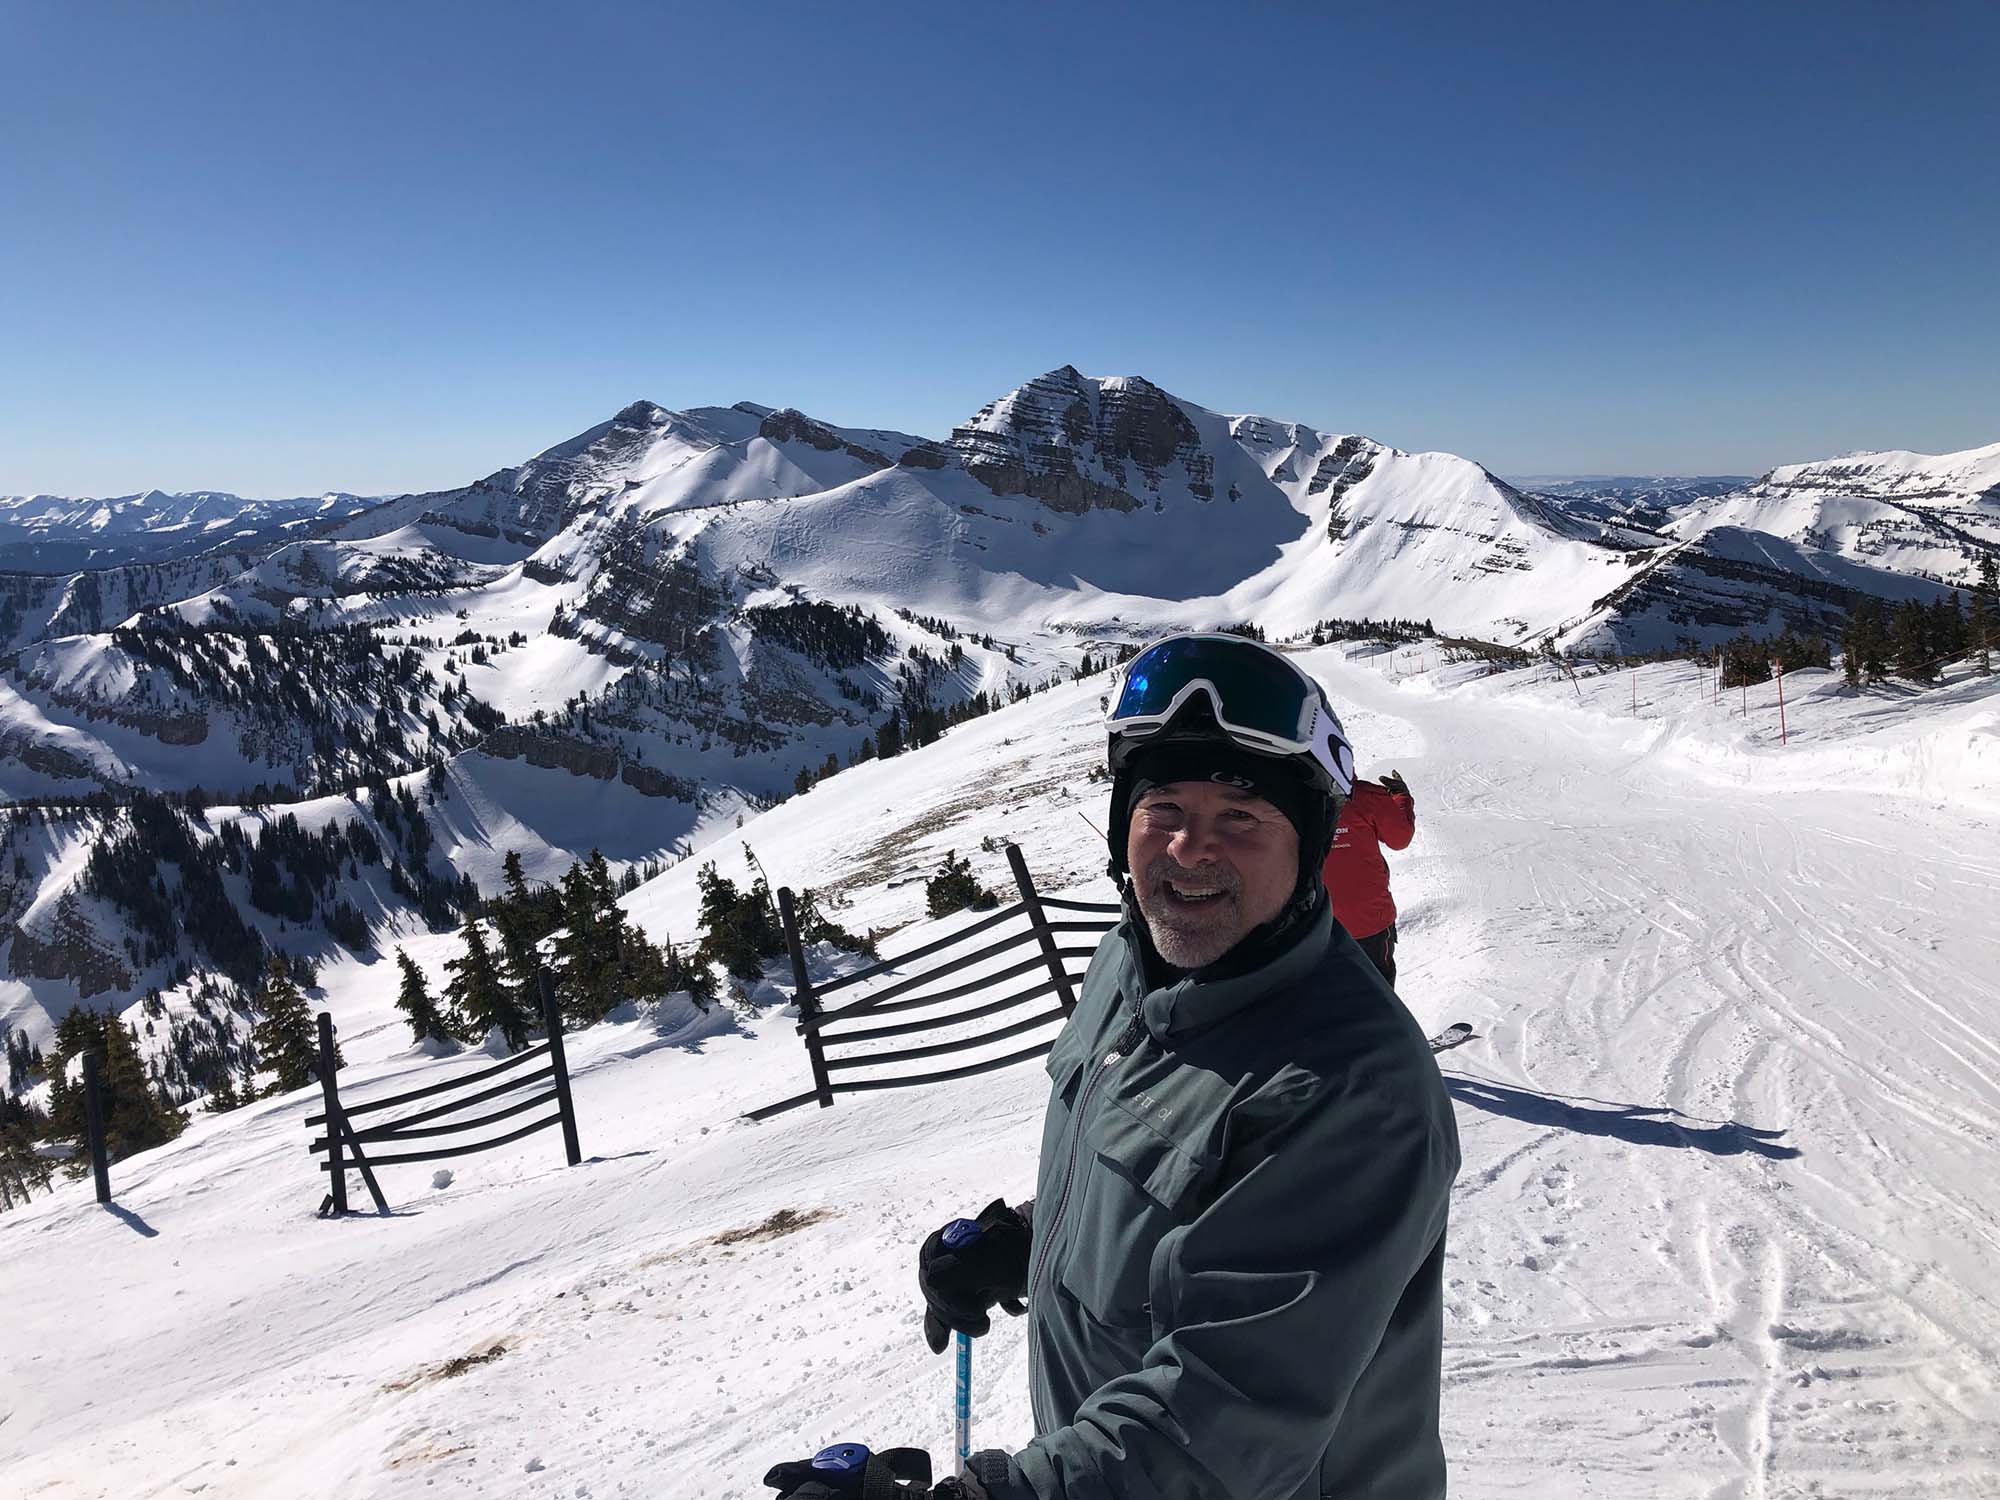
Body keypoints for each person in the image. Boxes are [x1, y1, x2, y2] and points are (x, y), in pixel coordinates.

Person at [763, 634, 1461, 1500]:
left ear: (1310, 842)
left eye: (1240, 816)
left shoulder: (1349, 1089)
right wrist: (1024, 1242)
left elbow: (1225, 1420)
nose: (1188, 849)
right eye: (1162, 806)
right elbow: (1165, 1190)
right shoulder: (1133, 964)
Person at [1322, 769, 1415, 986]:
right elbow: (1400, 838)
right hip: (1369, 922)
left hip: (1316, 927)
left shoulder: (1290, 799)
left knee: (1324, 1003)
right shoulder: (1365, 797)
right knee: (1378, 997)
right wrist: (1402, 797)